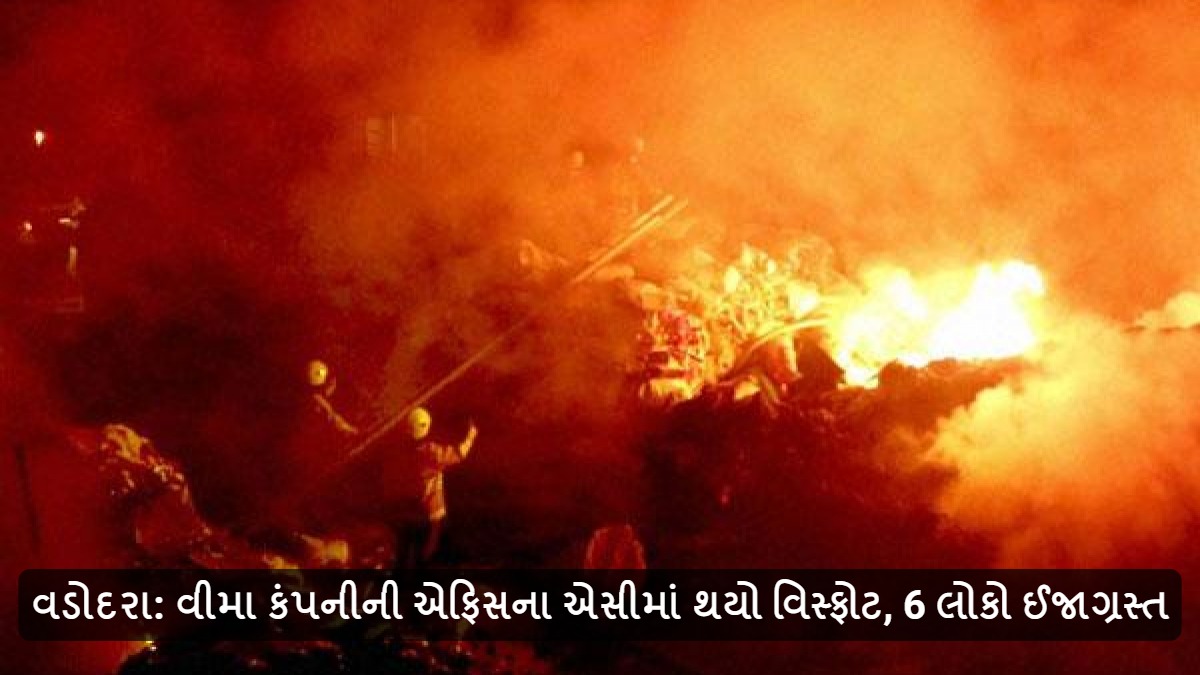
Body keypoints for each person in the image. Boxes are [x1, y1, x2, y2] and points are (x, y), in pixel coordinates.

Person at [400, 407, 477, 566]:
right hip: (433, 509)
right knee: (432, 547)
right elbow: (459, 454)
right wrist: (471, 435)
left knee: (414, 544)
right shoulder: (431, 452)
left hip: (415, 506)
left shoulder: (406, 449)